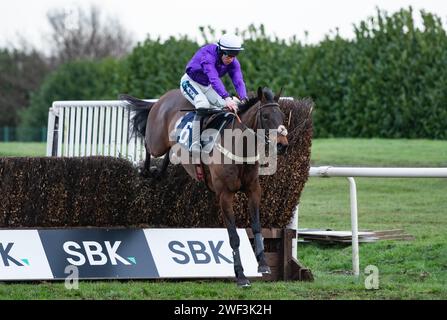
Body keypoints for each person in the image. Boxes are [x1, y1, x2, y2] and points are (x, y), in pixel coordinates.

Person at [180, 33, 248, 155]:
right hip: (190, 82)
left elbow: (238, 81)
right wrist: (227, 97)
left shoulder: (233, 62)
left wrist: (244, 98)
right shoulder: (208, 56)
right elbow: (214, 79)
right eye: (228, 54)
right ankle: (194, 143)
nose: (231, 58)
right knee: (203, 104)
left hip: (207, 86)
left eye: (235, 55)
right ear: (220, 51)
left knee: (226, 106)